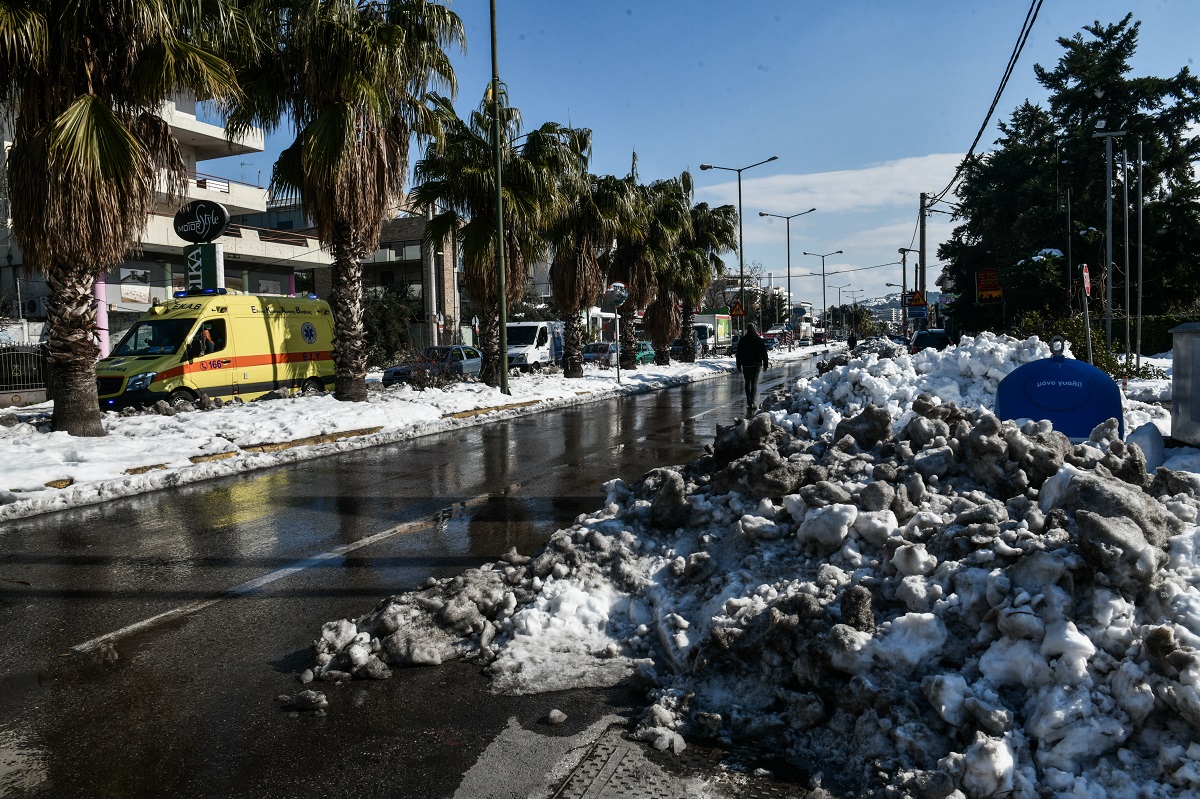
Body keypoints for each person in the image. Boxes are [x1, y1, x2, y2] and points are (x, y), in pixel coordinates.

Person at [735, 323, 769, 412]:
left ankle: (748, 399)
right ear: (754, 329)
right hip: (756, 364)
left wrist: (738, 365)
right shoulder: (758, 340)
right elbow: (764, 353)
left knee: (747, 382)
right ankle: (752, 401)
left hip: (746, 364)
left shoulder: (742, 340)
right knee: (754, 382)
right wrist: (765, 364)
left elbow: (739, 354)